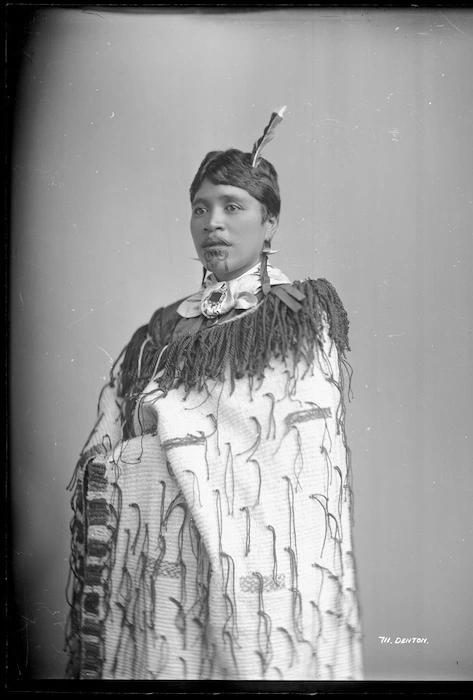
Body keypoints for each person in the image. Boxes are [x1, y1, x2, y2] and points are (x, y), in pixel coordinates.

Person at [65, 108, 364, 681]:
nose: (213, 223)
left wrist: (147, 452)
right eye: (200, 208)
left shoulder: (295, 315)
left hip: (264, 576)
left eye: (233, 206)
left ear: (269, 223)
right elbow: (112, 424)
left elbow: (283, 452)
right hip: (162, 576)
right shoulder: (158, 330)